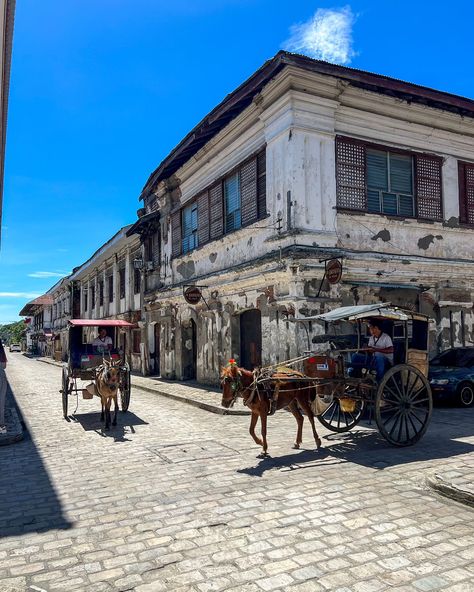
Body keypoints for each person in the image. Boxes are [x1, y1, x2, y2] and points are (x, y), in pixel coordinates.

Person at [0, 341, 7, 434]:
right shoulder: (1, 351)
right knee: (1, 403)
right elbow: (4, 366)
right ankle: (1, 426)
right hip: (1, 375)